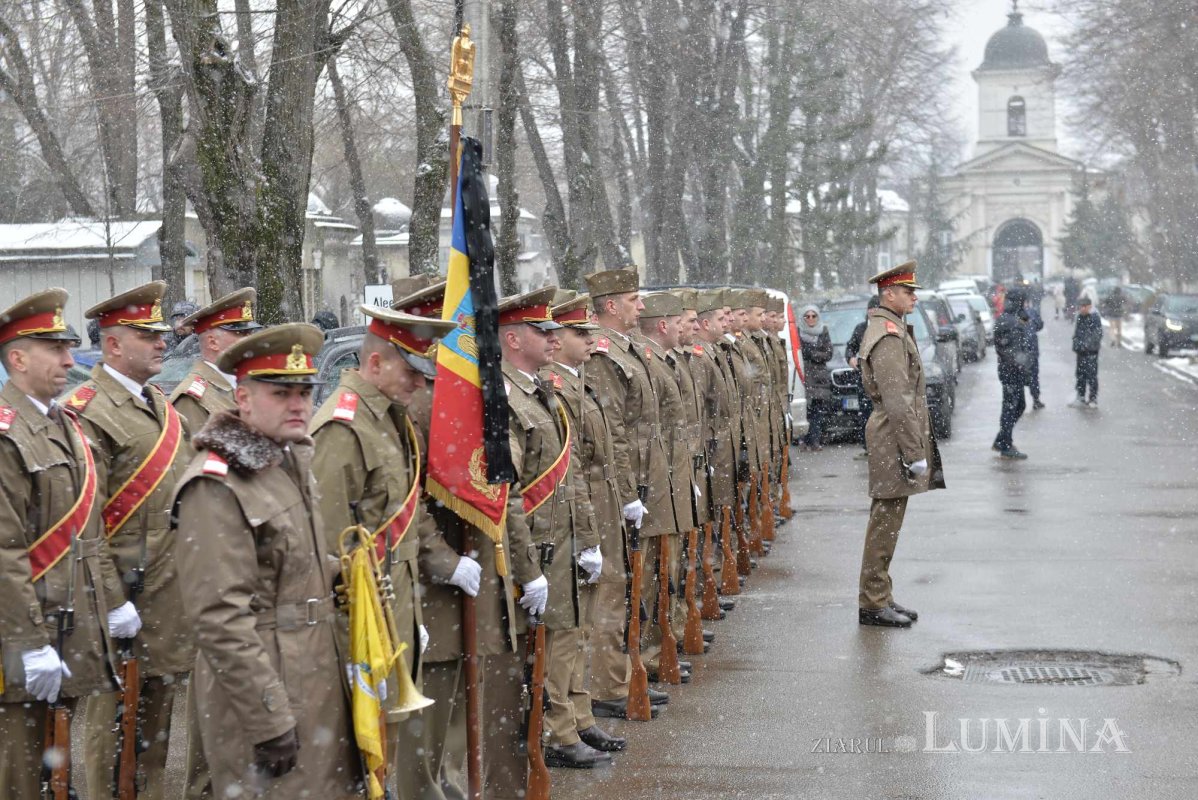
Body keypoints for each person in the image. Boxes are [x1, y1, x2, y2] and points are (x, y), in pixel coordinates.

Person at [171, 323, 362, 798]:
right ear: (243, 399)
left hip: (317, 675)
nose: (299, 404)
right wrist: (268, 717)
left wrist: (348, 572)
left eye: (304, 391)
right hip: (269, 687)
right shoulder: (216, 484)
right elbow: (219, 617)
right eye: (281, 392)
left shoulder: (287, 462)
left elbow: (291, 566)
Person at [309, 303, 455, 792]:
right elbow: (330, 545)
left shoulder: (388, 419)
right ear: (374, 364)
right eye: (411, 370)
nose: (419, 383)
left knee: (386, 753)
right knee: (359, 754)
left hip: (393, 606)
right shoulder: (343, 427)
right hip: (359, 623)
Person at [72, 280, 196, 800]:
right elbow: (85, 522)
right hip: (120, 600)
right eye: (147, 334)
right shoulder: (88, 409)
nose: (162, 341)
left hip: (167, 597)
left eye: (162, 332)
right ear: (114, 343)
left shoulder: (162, 406)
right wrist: (111, 600)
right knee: (111, 730)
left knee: (157, 731)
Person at [0, 289, 126, 796]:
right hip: (21, 643)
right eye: (56, 349)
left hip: (70, 629)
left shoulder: (65, 425)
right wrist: (29, 646)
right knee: (19, 779)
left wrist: (113, 605)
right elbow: (5, 551)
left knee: (59, 778)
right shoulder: (7, 434)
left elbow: (89, 537)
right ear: (17, 358)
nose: (70, 361)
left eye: (69, 348)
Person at [583, 267, 671, 719]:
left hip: (632, 478)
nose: (642, 307)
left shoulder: (627, 349)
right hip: (614, 483)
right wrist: (624, 491)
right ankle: (607, 685)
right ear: (611, 306)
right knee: (612, 586)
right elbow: (611, 431)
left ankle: (618, 675)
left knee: (624, 584)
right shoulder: (604, 355)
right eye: (634, 299)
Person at [544, 293, 629, 757]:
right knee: (566, 630)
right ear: (556, 341)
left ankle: (579, 717)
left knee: (580, 626)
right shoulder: (556, 388)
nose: (591, 340)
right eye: (581, 333)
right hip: (573, 517)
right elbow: (572, 470)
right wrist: (587, 536)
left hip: (595, 507)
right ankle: (561, 728)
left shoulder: (578, 383)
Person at [856, 262, 945, 628]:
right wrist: (914, 454)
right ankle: (873, 601)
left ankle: (881, 594)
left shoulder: (892, 329)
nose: (914, 296)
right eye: (908, 291)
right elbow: (897, 400)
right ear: (888, 294)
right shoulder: (888, 335)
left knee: (889, 520)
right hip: (893, 437)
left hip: (895, 435)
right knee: (885, 521)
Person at [170, 287, 264, 431]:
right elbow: (192, 452)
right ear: (213, 342)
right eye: (241, 333)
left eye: (249, 333)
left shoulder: (245, 384)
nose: (249, 340)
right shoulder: (192, 399)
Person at [991, 286, 1030, 459]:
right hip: (1011, 371)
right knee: (1011, 406)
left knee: (1017, 405)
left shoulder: (1009, 318)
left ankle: (1002, 439)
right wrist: (1023, 369)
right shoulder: (1010, 321)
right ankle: (1005, 444)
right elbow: (1012, 351)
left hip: (1011, 371)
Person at [846, 297, 880, 459]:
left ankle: (882, 447)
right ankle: (867, 447)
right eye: (871, 309)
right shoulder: (860, 329)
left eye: (876, 308)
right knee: (865, 413)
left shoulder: (884, 328)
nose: (873, 312)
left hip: (881, 379)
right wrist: (850, 358)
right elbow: (850, 347)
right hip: (863, 379)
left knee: (881, 414)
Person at [797, 305, 833, 451]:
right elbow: (798, 352)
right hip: (804, 376)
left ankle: (815, 440)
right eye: (807, 316)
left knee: (817, 410)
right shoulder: (798, 332)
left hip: (819, 378)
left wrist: (812, 354)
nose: (811, 319)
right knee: (804, 409)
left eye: (814, 316)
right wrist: (812, 354)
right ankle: (803, 440)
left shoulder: (823, 331)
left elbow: (828, 353)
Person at [1070, 296, 1103, 408]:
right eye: (1080, 307)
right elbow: (1077, 333)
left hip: (1091, 352)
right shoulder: (1079, 317)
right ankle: (1080, 396)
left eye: (1084, 306)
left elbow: (1097, 334)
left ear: (1089, 306)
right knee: (1080, 374)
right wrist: (1076, 344)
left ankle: (1093, 398)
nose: (1082, 309)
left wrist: (1087, 345)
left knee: (1092, 375)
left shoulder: (1095, 317)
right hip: (1081, 352)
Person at [1023, 293, 1045, 410]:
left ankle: (1018, 402)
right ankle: (1036, 400)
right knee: (1033, 376)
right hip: (1031, 350)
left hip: (1020, 352)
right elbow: (1040, 325)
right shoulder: (1032, 312)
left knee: (1019, 377)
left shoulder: (1013, 314)